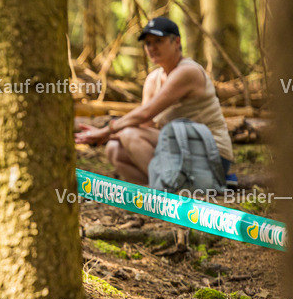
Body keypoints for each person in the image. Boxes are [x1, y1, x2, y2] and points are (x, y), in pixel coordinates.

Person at [75, 16, 234, 185]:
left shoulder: (188, 71)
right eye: (148, 43)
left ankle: (174, 193)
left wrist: (107, 131)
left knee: (129, 135)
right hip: (180, 150)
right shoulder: (153, 79)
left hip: (212, 156)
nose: (152, 47)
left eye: (159, 41)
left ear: (177, 42)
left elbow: (145, 113)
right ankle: (154, 200)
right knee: (115, 149)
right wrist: (111, 136)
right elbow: (146, 126)